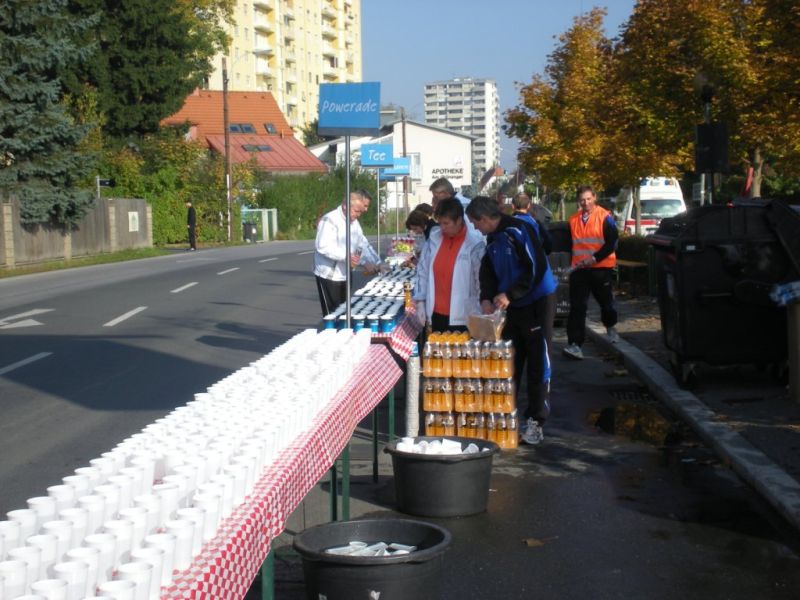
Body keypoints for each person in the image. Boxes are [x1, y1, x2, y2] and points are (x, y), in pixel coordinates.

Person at [466, 196, 557, 445]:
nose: (474, 228)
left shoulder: (519, 229)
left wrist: (511, 293)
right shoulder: (492, 238)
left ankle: (537, 421)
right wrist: (486, 297)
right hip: (511, 305)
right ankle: (507, 417)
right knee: (509, 361)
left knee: (539, 361)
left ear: (485, 219)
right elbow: (487, 269)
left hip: (537, 301)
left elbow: (536, 267)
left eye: (475, 223)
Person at [563, 185, 620, 360]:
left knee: (606, 303)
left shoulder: (605, 217)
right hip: (580, 270)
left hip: (601, 268)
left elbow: (612, 243)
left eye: (588, 199)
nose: (585, 203)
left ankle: (610, 326)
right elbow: (568, 244)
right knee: (577, 307)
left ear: (594, 198)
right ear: (578, 201)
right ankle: (574, 344)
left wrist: (595, 258)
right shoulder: (573, 220)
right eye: (582, 200)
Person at [413, 198, 485, 332]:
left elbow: (481, 281)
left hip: (464, 316)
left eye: (446, 223)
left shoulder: (475, 244)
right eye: (440, 223)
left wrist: (480, 310)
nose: (442, 228)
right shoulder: (433, 240)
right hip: (437, 313)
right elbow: (422, 272)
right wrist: (420, 301)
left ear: (459, 220)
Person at [313, 189, 381, 317]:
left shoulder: (354, 223)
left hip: (345, 274)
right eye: (356, 211)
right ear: (345, 206)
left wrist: (377, 262)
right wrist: (347, 256)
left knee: (345, 313)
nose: (359, 215)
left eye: (360, 211)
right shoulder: (330, 220)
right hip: (329, 275)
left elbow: (363, 245)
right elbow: (322, 246)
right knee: (332, 315)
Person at [511, 192, 556, 352]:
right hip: (542, 284)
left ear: (512, 206)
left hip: (520, 283)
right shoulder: (535, 223)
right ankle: (543, 373)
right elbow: (549, 245)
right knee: (543, 335)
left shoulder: (510, 225)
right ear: (529, 206)